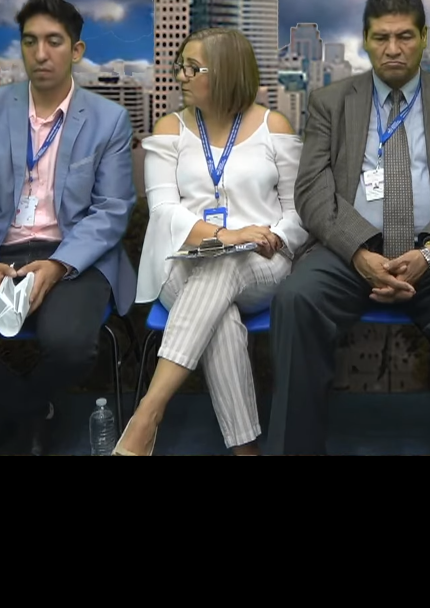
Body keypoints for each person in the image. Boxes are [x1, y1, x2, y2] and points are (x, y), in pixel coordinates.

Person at [268, 0, 430, 455]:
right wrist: (359, 252)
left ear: (424, 38)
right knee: (296, 299)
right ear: (365, 40)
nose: (393, 48)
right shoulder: (330, 101)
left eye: (404, 36)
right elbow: (312, 190)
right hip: (347, 253)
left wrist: (429, 253)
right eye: (381, 37)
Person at [0, 0, 137, 454]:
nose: (40, 54)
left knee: (69, 345)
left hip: (75, 255)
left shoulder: (108, 120)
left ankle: (13, 410)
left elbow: (111, 209)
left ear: (76, 50)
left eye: (54, 41)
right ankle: (30, 409)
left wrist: (58, 265)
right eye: (30, 41)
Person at [119, 29, 307, 455]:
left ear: (224, 72)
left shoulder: (273, 126)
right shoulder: (170, 128)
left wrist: (273, 237)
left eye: (192, 68)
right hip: (182, 261)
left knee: (224, 265)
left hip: (261, 261)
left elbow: (299, 212)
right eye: (180, 66)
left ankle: (147, 413)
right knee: (218, 301)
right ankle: (245, 451)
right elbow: (163, 210)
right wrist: (225, 235)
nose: (180, 76)